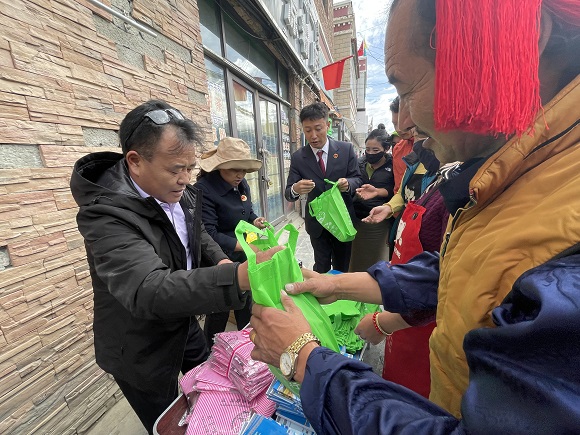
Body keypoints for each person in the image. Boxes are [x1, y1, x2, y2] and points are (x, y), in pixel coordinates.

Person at [249, 0, 580, 432]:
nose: (405, 121)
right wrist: (336, 284)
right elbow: (466, 272)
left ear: (514, 44)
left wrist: (304, 359)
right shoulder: (523, 174)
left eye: (406, 89)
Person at [70, 100, 278, 434]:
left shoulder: (181, 194)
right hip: (139, 345)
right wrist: (238, 275)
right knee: (171, 422)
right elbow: (149, 288)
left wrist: (222, 260)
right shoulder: (105, 214)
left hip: (183, 322)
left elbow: (199, 234)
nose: (184, 179)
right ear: (136, 161)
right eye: (175, 169)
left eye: (190, 168)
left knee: (213, 391)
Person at [194, 137, 266, 347]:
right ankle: (212, 351)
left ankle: (245, 346)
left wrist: (255, 220)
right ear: (220, 167)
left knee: (245, 301)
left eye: (243, 170)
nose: (240, 175)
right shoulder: (204, 190)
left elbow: (247, 212)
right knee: (220, 309)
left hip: (243, 252)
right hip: (219, 257)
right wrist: (245, 246)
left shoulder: (240, 184)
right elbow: (208, 233)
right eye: (234, 169)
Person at [285, 102, 362, 273]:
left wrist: (348, 184)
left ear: (327, 125)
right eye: (307, 130)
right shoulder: (298, 157)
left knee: (342, 267)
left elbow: (358, 179)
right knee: (321, 266)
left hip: (342, 219)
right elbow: (289, 193)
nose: (313, 136)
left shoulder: (346, 149)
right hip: (317, 223)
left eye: (318, 129)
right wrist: (296, 189)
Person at [348, 129, 395, 272]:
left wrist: (377, 192)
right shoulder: (359, 163)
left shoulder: (393, 165)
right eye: (367, 149)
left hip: (378, 220)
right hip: (356, 218)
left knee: (375, 260)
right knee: (355, 260)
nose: (370, 153)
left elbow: (396, 189)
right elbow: (353, 180)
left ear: (386, 149)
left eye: (375, 150)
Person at [389, 96, 414, 194]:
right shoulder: (397, 149)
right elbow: (398, 187)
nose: (399, 129)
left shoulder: (434, 144)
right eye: (395, 124)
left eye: (404, 122)